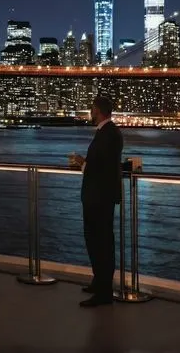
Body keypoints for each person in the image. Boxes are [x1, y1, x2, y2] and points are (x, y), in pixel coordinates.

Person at [72, 96, 123, 307]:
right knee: (96, 241)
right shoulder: (109, 133)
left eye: (92, 109)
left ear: (98, 111)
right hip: (100, 196)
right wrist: (87, 163)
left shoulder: (108, 134)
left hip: (99, 198)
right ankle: (99, 282)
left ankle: (104, 292)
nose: (90, 113)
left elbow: (99, 168)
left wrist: (83, 164)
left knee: (100, 243)